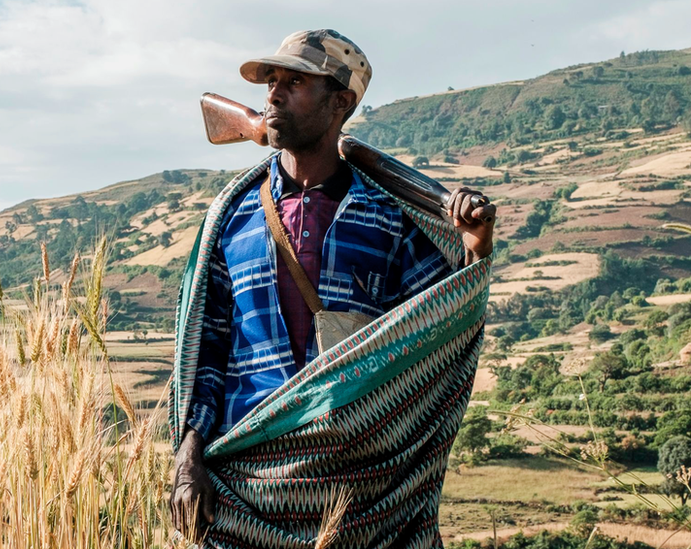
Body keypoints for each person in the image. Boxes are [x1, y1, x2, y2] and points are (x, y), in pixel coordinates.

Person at [170, 29, 496, 547]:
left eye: (295, 82)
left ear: (340, 102)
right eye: (271, 81)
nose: (273, 94)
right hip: (243, 493)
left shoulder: (388, 217)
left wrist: (475, 247)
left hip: (364, 496)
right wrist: (188, 457)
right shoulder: (231, 220)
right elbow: (204, 354)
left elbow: (440, 336)